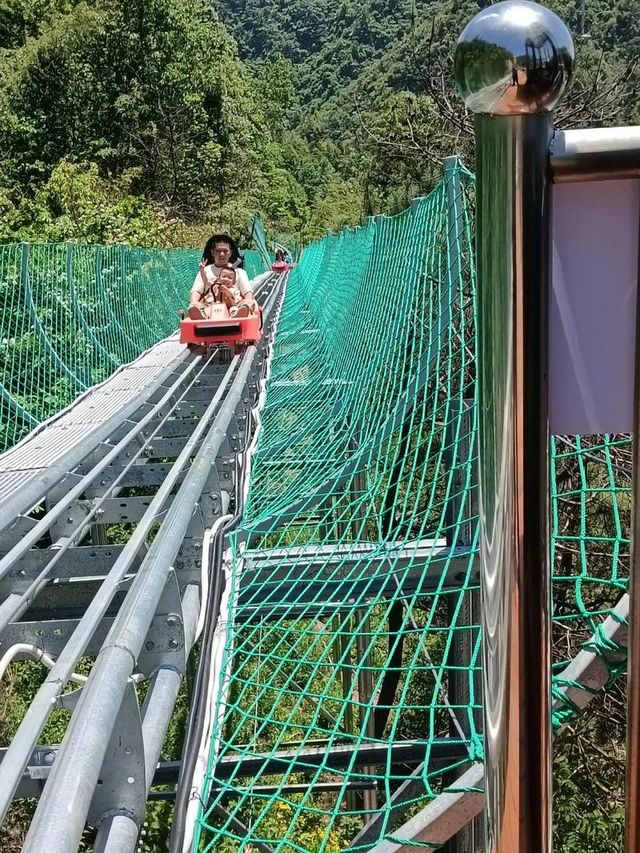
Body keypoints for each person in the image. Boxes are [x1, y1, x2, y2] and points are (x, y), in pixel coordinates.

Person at [188, 234, 255, 319]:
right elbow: (196, 291)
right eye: (218, 251)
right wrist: (194, 303)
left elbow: (247, 293)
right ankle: (201, 316)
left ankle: (238, 314)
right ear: (212, 252)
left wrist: (248, 301)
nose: (222, 254)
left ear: (230, 253)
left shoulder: (240, 272)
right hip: (211, 306)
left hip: (234, 305)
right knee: (194, 305)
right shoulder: (205, 271)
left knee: (248, 302)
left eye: (225, 251)